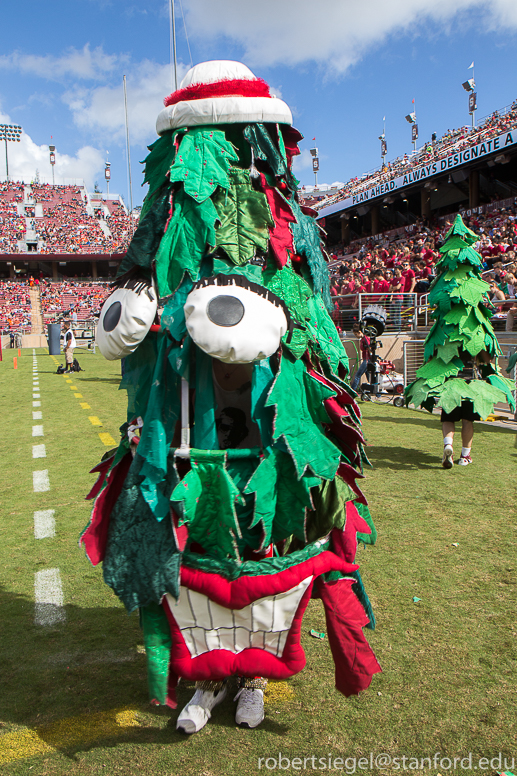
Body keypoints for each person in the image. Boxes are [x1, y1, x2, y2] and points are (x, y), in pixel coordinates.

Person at [441, 351, 491, 468]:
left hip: (451, 381)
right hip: (471, 383)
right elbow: (487, 359)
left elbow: (431, 358)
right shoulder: (477, 333)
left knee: (448, 419)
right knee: (467, 420)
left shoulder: (445, 333)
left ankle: (448, 445)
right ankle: (465, 456)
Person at [351, 324, 371, 391]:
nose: (356, 336)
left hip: (367, 360)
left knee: (357, 375)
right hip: (366, 359)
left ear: (360, 332)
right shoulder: (362, 339)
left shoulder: (365, 339)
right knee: (369, 376)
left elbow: (370, 348)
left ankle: (353, 390)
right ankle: (374, 390)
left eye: (356, 334)